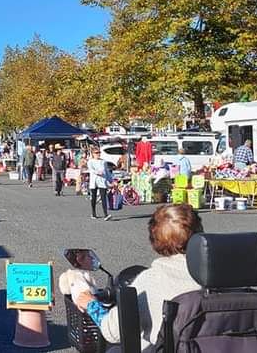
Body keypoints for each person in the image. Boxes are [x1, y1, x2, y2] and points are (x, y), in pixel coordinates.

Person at [75, 204, 203, 349]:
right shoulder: (227, 275)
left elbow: (113, 331)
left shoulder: (151, 280)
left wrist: (91, 304)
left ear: (155, 241)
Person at [87, 148, 112, 220]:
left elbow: (107, 172)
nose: (98, 154)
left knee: (103, 197)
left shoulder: (103, 161)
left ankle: (106, 214)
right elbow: (91, 169)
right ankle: (93, 213)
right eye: (96, 153)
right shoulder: (90, 161)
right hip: (94, 181)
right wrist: (97, 172)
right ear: (93, 154)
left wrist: (111, 180)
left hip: (102, 181)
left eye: (99, 152)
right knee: (93, 198)